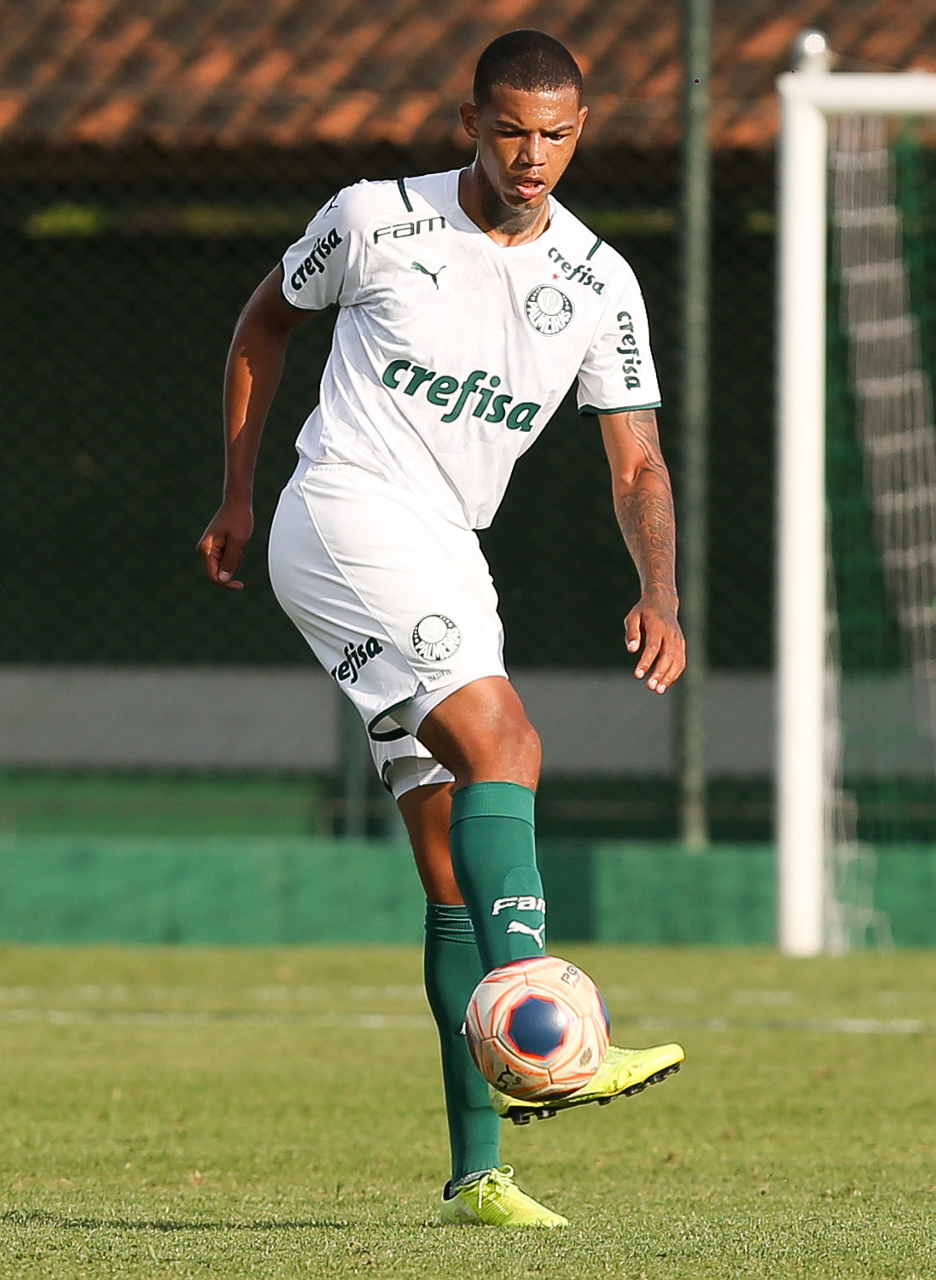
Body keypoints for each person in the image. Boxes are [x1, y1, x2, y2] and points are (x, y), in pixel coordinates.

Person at [198, 29, 686, 1228]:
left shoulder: (598, 281)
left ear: (581, 133)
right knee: (506, 741)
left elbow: (637, 462)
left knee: (451, 861)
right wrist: (239, 491)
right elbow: (263, 323)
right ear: (471, 122)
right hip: (344, 509)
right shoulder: (375, 218)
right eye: (511, 130)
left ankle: (480, 1172)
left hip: (451, 552)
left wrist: (661, 589)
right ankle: (549, 1022)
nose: (532, 156)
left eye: (555, 135)